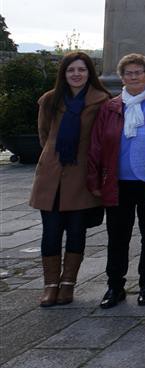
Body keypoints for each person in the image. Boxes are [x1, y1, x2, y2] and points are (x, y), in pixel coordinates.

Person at [88, 54, 145, 309]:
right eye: (128, 73)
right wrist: (94, 179)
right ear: (121, 77)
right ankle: (114, 286)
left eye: (139, 72)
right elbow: (96, 145)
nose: (134, 77)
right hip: (118, 183)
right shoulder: (110, 107)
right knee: (117, 237)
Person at [30, 52, 111, 307]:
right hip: (52, 175)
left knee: (76, 231)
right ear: (63, 74)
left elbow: (103, 139)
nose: (76, 74)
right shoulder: (50, 100)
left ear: (90, 73)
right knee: (51, 232)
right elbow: (44, 134)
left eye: (82, 70)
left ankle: (68, 284)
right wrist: (55, 156)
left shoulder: (101, 101)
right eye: (71, 70)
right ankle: (50, 285)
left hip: (82, 175)